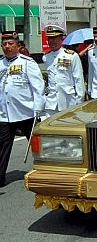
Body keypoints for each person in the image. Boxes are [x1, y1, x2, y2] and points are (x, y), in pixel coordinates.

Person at [0, 31, 45, 187]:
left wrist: (38, 108)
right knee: (2, 145)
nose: (7, 47)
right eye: (4, 44)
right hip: (5, 114)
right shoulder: (0, 63)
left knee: (36, 144)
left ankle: (45, 170)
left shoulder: (27, 62)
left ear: (18, 46)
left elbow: (38, 87)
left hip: (26, 112)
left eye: (10, 43)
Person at [42, 25, 85, 116]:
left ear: (61, 39)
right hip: (51, 102)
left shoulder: (72, 56)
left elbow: (78, 79)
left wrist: (79, 100)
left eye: (54, 38)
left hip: (68, 100)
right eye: (49, 38)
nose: (51, 41)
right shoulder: (46, 57)